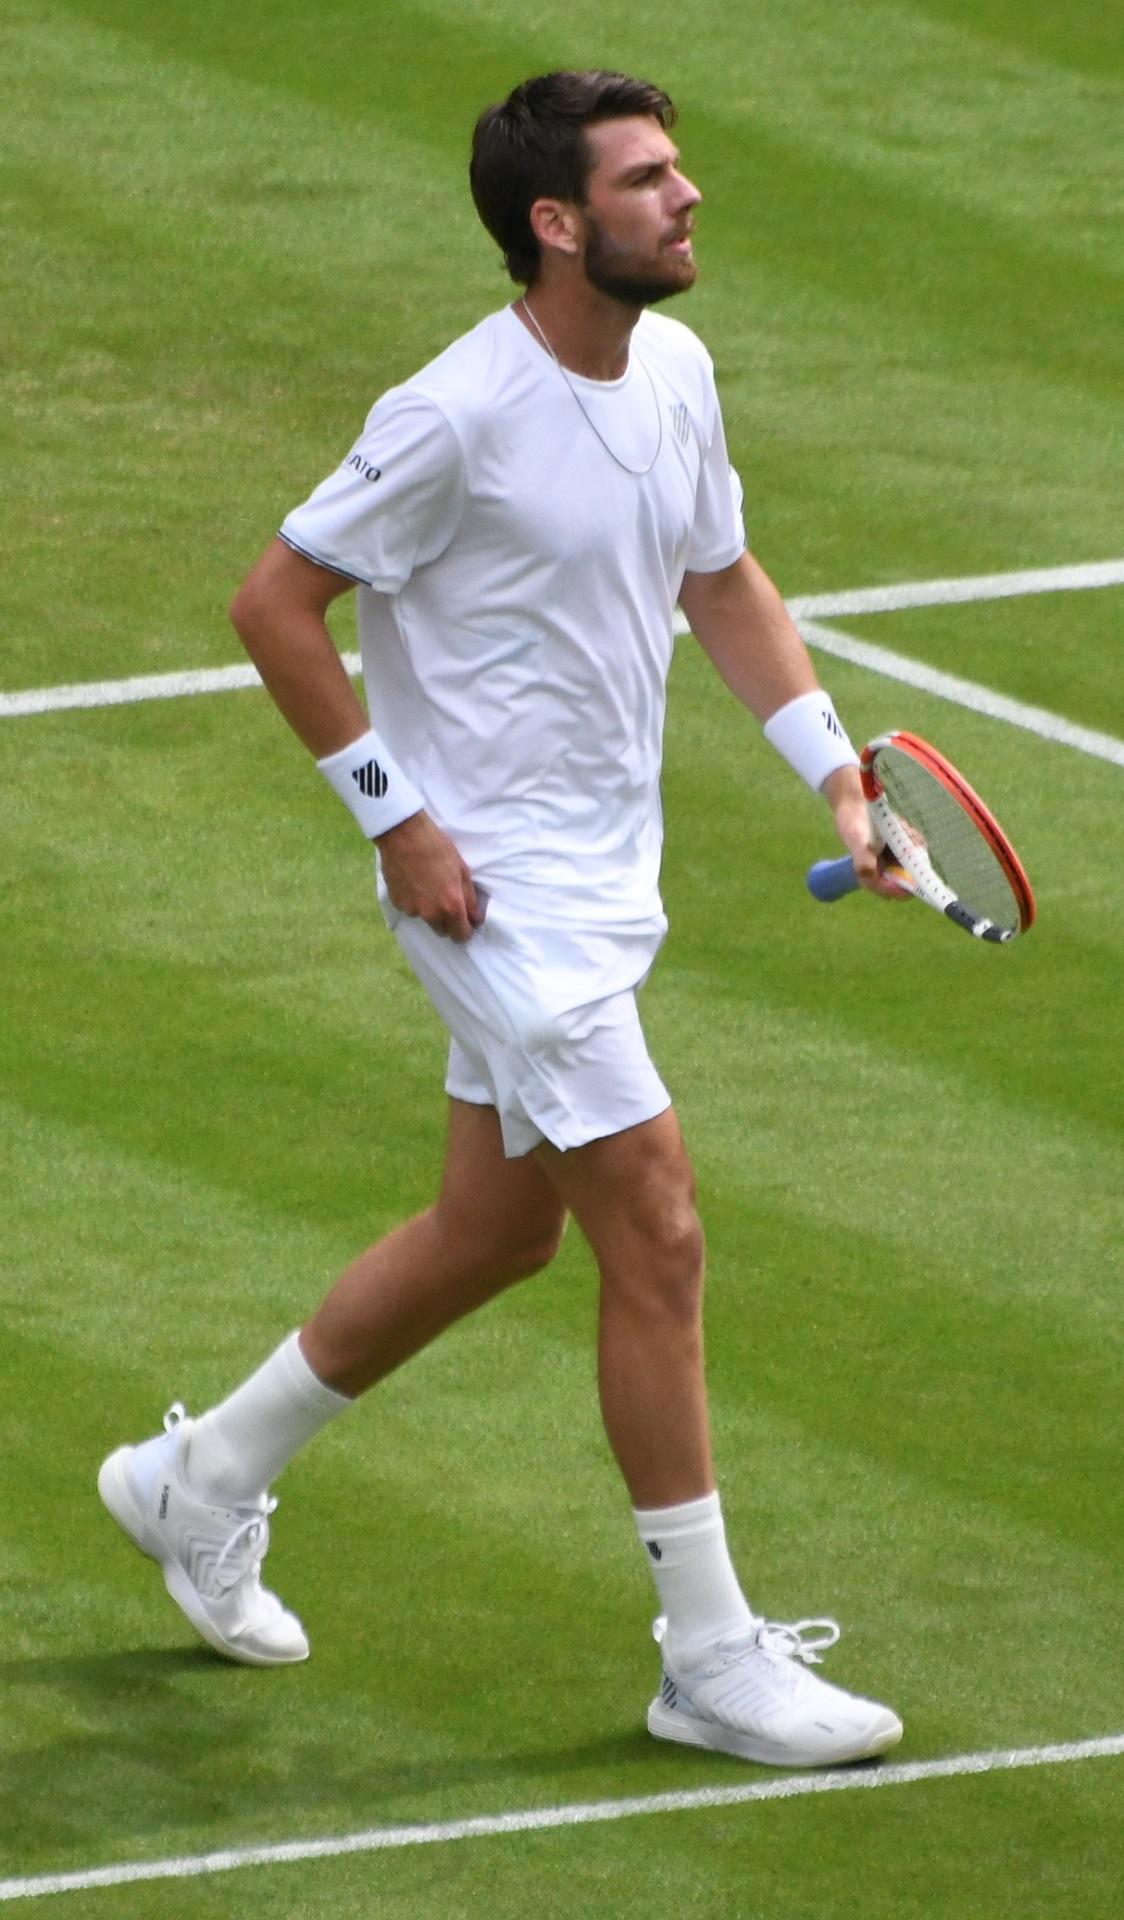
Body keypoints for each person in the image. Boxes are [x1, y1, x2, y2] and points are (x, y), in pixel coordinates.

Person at [99, 70, 904, 1768]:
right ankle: (708, 1653)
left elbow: (721, 578)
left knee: (497, 1234)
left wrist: (836, 773)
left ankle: (198, 1480)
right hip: (493, 900)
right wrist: (397, 825)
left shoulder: (672, 370)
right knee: (657, 1226)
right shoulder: (454, 410)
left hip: (608, 878)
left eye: (678, 170)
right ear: (557, 224)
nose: (687, 199)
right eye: (648, 178)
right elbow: (276, 603)